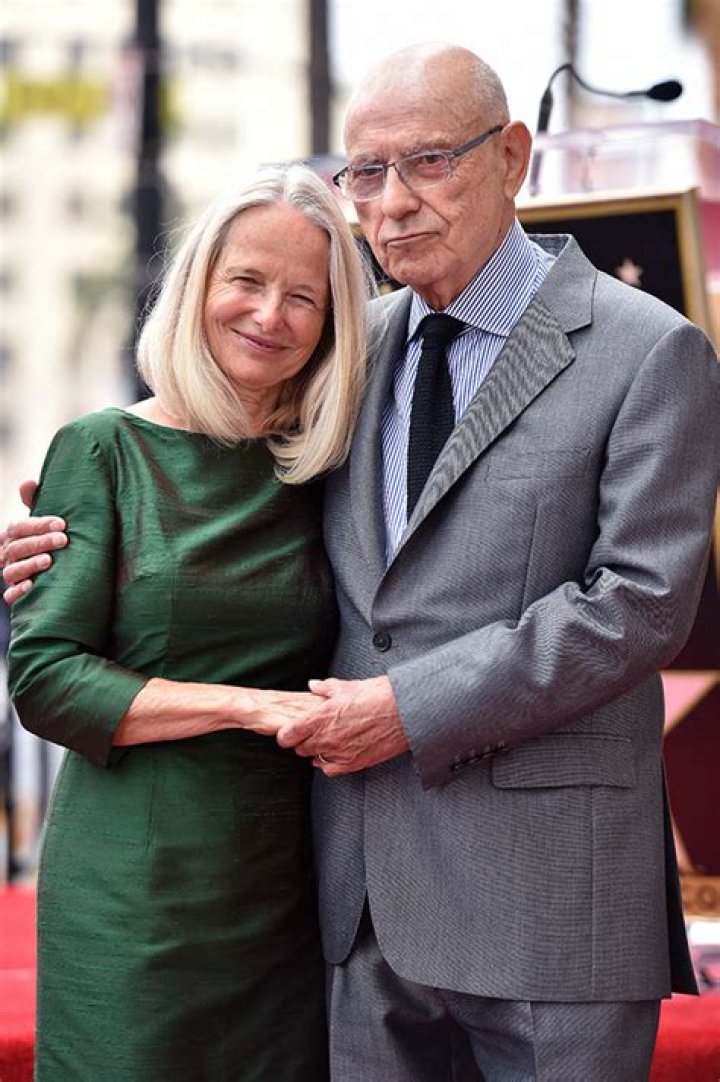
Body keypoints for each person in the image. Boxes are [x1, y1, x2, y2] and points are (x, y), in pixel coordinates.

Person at [4, 42, 720, 1082]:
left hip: (551, 901)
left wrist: (411, 707)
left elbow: (642, 603)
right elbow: (211, 484)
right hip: (352, 904)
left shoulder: (648, 348)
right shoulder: (344, 348)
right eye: (368, 171)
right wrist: (78, 517)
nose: (393, 202)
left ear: (512, 156)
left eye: (429, 161)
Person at [3, 162, 371, 1081]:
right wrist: (249, 706)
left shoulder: (332, 470)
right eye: (246, 280)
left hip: (289, 891)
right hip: (135, 892)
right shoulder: (103, 449)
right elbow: (46, 681)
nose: (270, 315)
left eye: (305, 297)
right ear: (198, 282)